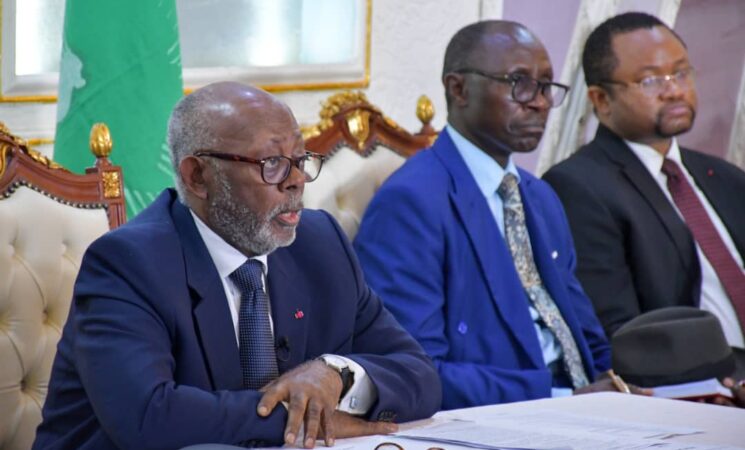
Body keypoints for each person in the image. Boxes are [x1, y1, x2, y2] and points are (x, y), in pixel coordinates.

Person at [33, 82, 441, 450]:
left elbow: (419, 376)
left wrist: (335, 374)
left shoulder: (321, 244)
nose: (297, 180)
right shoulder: (128, 264)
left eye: (300, 160)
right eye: (272, 163)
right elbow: (148, 417)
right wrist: (306, 414)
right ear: (198, 176)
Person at [353, 20, 631, 411]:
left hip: (588, 408)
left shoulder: (540, 196)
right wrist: (560, 399)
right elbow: (412, 370)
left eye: (547, 85)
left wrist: (625, 390)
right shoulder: (411, 203)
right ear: (459, 88)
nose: (538, 101)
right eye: (519, 82)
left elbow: (584, 331)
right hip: (507, 415)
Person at [542, 12, 745, 377]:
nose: (674, 89)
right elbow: (625, 337)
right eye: (650, 79)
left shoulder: (726, 178)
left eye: (681, 72)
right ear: (601, 99)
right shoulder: (578, 186)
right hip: (699, 390)